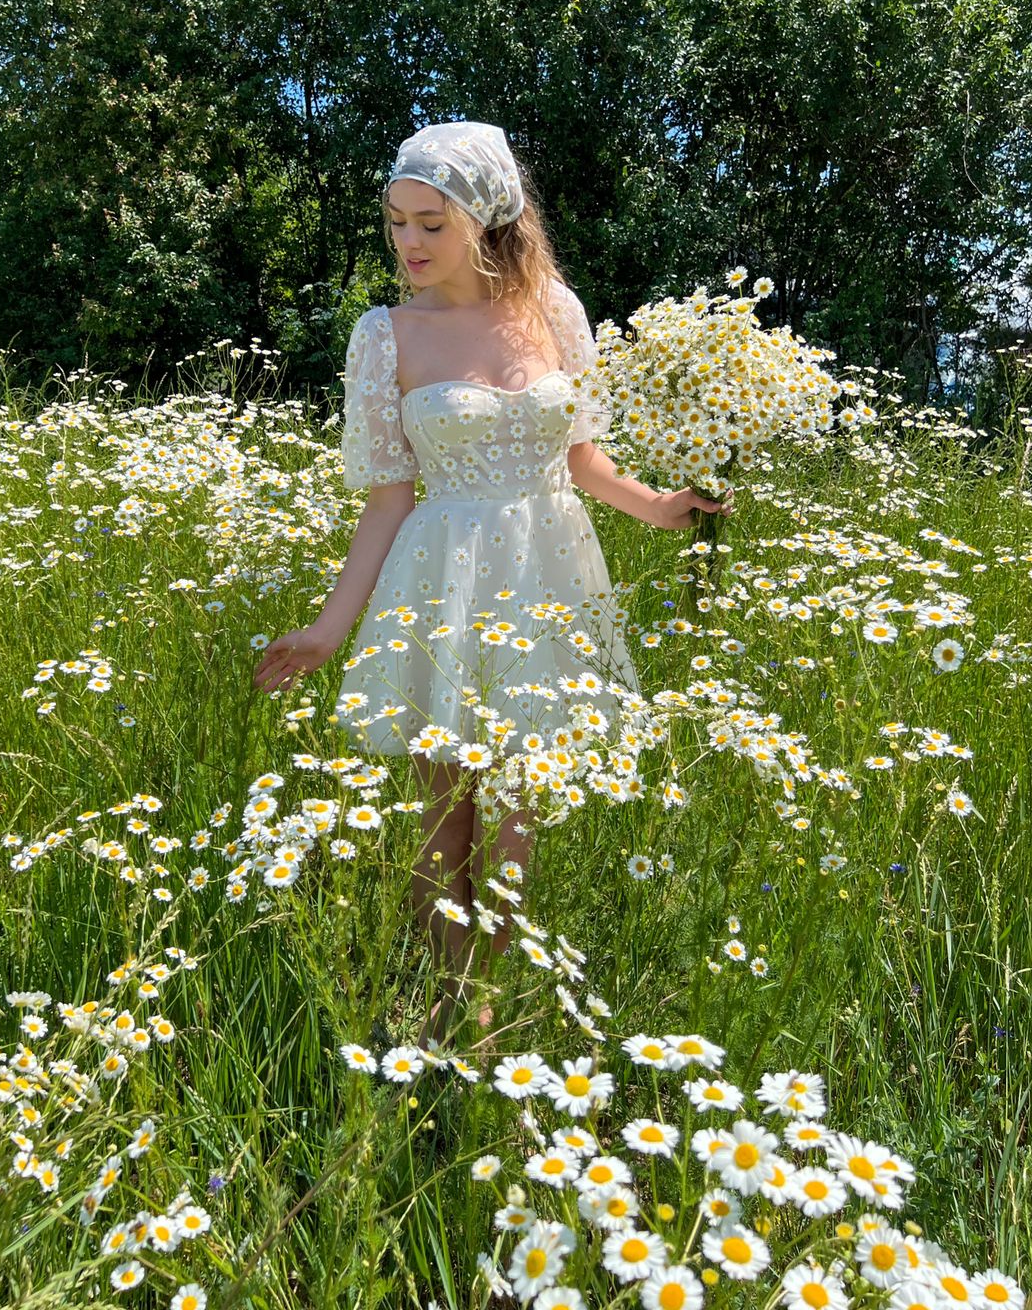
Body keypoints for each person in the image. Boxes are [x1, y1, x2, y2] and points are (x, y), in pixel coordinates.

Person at [252, 121, 731, 1048]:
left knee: (520, 815)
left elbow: (583, 458)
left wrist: (659, 507)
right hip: (442, 578)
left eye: (430, 222)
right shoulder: (386, 335)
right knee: (446, 816)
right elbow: (389, 502)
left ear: (486, 217)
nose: (409, 244)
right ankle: (447, 1004)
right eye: (396, 222)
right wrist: (326, 630)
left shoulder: (554, 311)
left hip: (550, 569)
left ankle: (496, 1018)